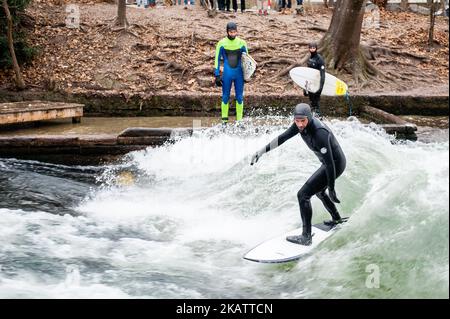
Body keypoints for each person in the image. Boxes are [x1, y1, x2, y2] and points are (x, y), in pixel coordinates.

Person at [250, 103, 346, 246]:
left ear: (309, 117)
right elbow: (282, 138)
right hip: (328, 164)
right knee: (319, 192)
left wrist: (331, 188)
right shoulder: (299, 124)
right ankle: (337, 219)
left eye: (303, 121)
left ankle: (306, 237)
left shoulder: (320, 133)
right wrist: (262, 151)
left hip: (335, 164)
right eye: (297, 121)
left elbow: (330, 164)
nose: (300, 124)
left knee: (303, 195)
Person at [214, 22, 248, 125]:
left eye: (234, 32)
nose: (233, 34)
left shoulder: (242, 43)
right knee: (225, 96)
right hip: (227, 74)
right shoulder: (221, 43)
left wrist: (247, 74)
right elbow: (217, 59)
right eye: (231, 32)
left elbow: (247, 60)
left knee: (239, 97)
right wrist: (217, 75)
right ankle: (224, 122)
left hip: (239, 74)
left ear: (237, 31)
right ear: (227, 32)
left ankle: (239, 122)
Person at [304, 42, 325, 117]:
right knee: (312, 101)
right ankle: (313, 117)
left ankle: (320, 118)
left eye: (314, 48)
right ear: (309, 48)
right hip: (310, 84)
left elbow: (323, 75)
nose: (312, 49)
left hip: (317, 84)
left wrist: (320, 87)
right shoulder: (310, 58)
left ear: (316, 48)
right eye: (311, 48)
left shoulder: (320, 59)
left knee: (316, 102)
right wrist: (305, 87)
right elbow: (308, 74)